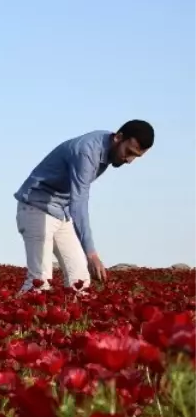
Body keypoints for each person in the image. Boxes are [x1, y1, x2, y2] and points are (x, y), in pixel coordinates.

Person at [13, 120, 154, 293]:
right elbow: (78, 203)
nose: (129, 160)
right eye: (129, 152)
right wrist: (92, 254)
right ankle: (12, 318)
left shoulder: (108, 147)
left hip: (60, 212)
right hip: (35, 207)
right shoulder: (87, 152)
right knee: (39, 282)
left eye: (136, 157)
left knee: (79, 280)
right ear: (118, 137)